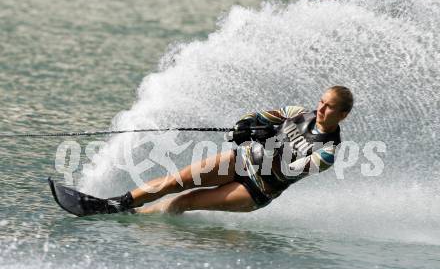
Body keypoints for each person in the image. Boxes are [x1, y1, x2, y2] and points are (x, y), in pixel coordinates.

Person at [102, 85, 353, 215]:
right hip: (242, 160)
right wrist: (243, 126)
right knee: (176, 181)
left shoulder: (327, 153)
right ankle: (115, 205)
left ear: (342, 115)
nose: (321, 108)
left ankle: (139, 216)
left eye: (329, 107)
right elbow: (257, 116)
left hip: (256, 189)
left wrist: (268, 143)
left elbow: (286, 171)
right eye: (321, 101)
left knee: (185, 201)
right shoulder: (297, 113)